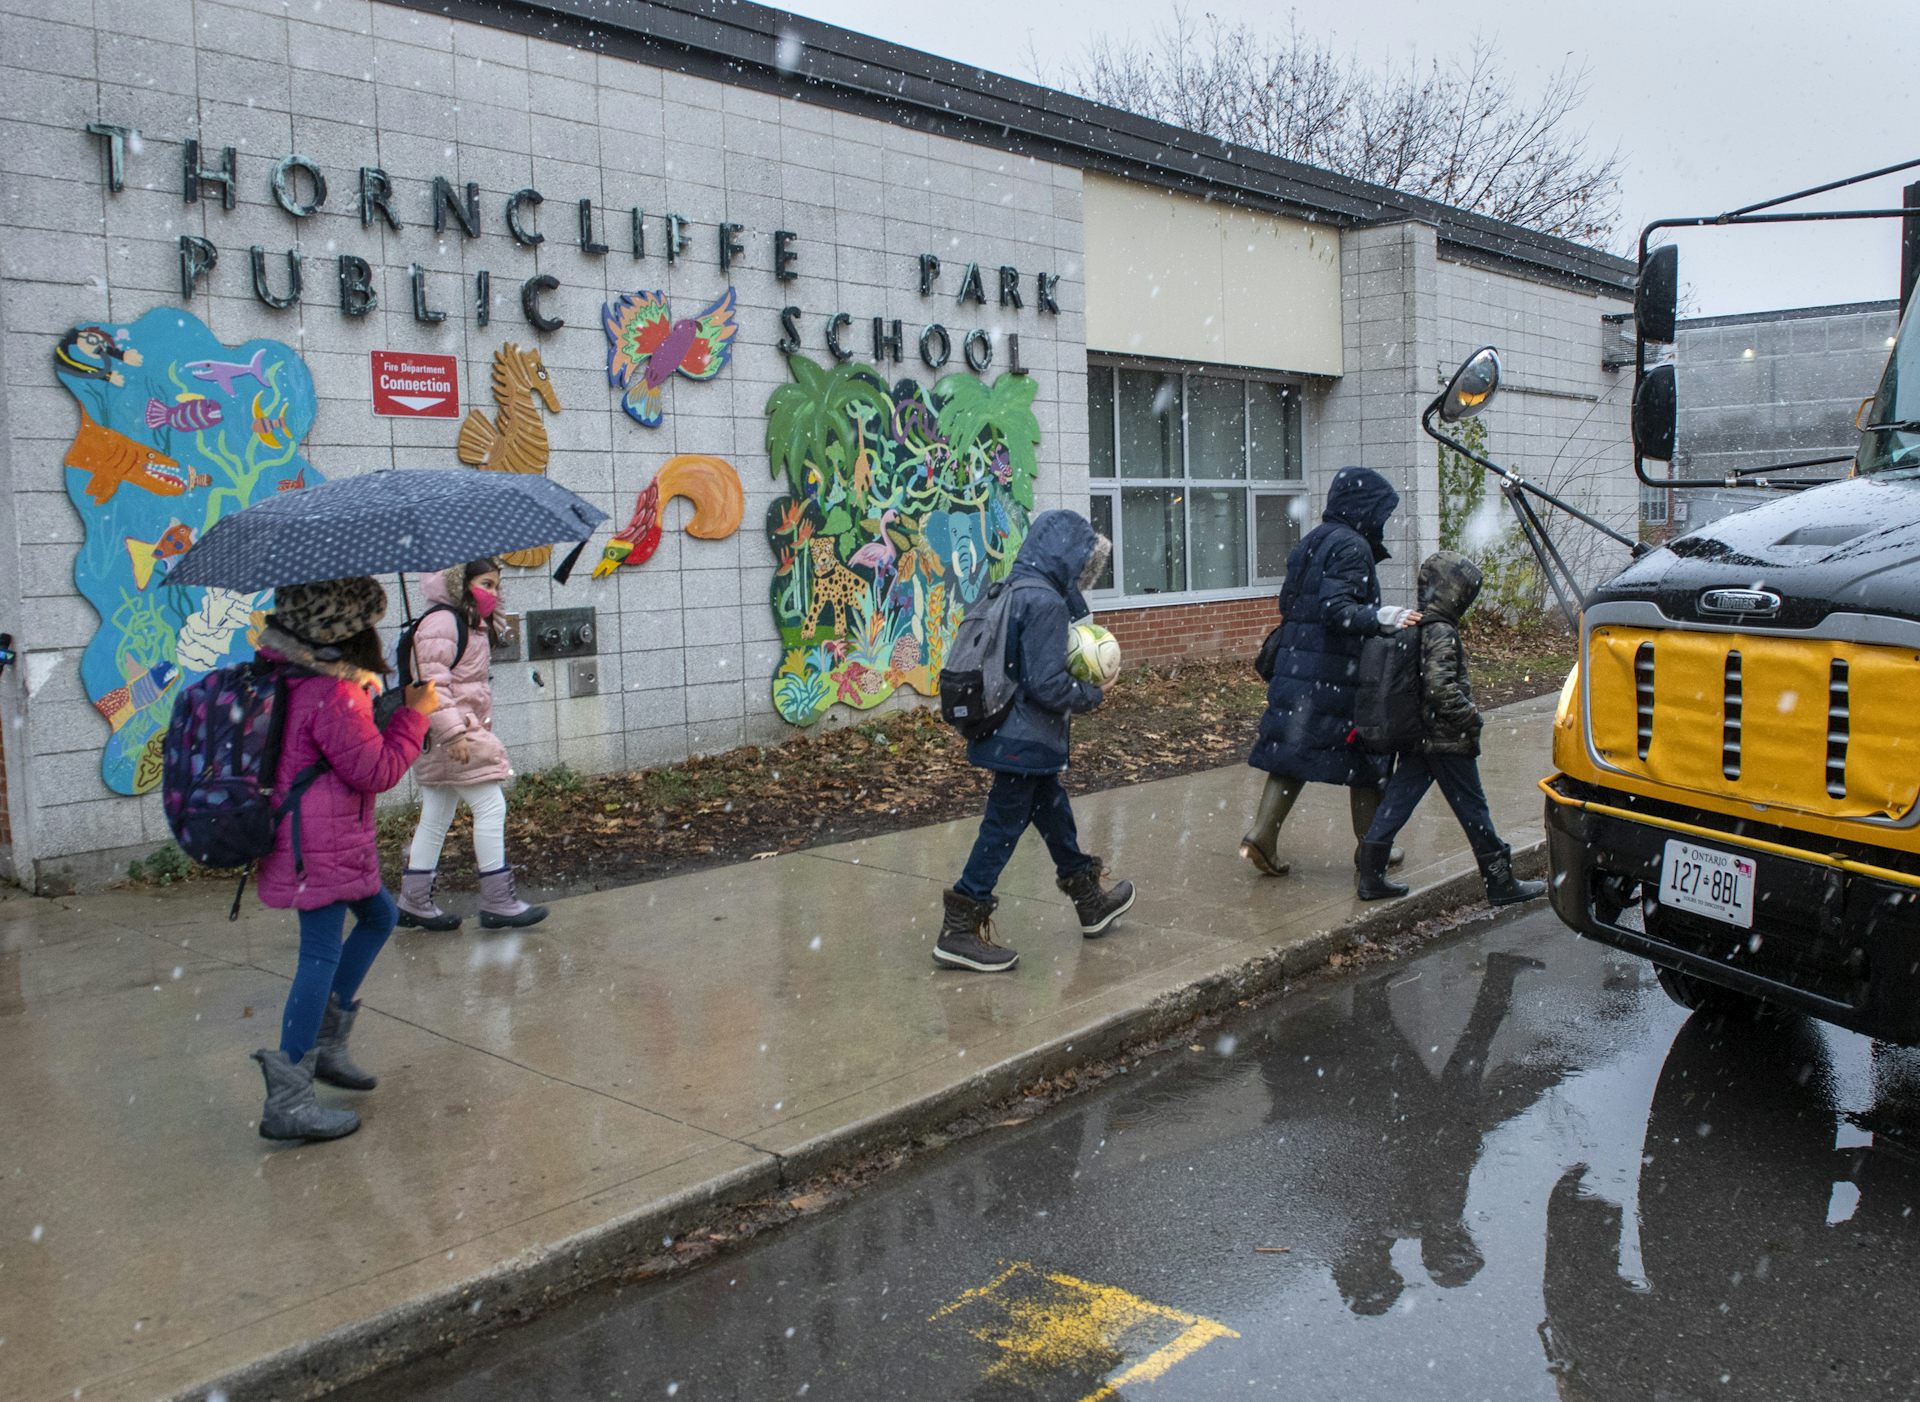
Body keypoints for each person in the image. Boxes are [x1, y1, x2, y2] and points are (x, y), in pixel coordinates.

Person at [250, 576, 436, 1143]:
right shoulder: (332, 693)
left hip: (319, 838)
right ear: (345, 632)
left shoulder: (292, 678)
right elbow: (374, 770)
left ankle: (326, 1045)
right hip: (318, 846)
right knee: (319, 954)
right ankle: (290, 1095)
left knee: (379, 916)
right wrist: (415, 715)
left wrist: (383, 705)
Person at [937, 510, 1135, 973]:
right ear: (1067, 556)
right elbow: (1047, 683)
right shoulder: (1044, 601)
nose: (1086, 571)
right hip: (1024, 735)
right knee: (1003, 827)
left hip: (1009, 730)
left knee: (1053, 812)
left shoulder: (1013, 588)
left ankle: (1090, 901)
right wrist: (1093, 694)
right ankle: (959, 928)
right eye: (1085, 561)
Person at [1243, 465, 1419, 876]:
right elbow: (1336, 610)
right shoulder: (1352, 546)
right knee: (1369, 753)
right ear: (1363, 509)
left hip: (1298, 666)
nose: (1383, 522)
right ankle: (1372, 848)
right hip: (1337, 674)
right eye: (1380, 512)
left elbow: (1290, 604)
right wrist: (1386, 616)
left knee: (1292, 751)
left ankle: (1262, 834)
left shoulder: (1313, 541)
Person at [1354, 550, 1546, 906]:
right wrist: (1471, 717)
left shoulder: (1421, 624)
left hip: (1419, 738)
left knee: (1397, 801)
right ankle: (1500, 881)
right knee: (1474, 809)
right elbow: (1440, 688)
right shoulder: (1441, 630)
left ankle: (1370, 875)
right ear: (1452, 592)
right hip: (1445, 738)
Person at [394, 558, 548, 931]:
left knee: (436, 815)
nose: (492, 593)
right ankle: (498, 900)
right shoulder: (444, 623)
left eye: (496, 585)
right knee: (490, 806)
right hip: (454, 734)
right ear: (460, 584)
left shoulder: (465, 623)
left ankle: (413, 901)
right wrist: (454, 733)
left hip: (445, 733)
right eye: (484, 583)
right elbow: (430, 685)